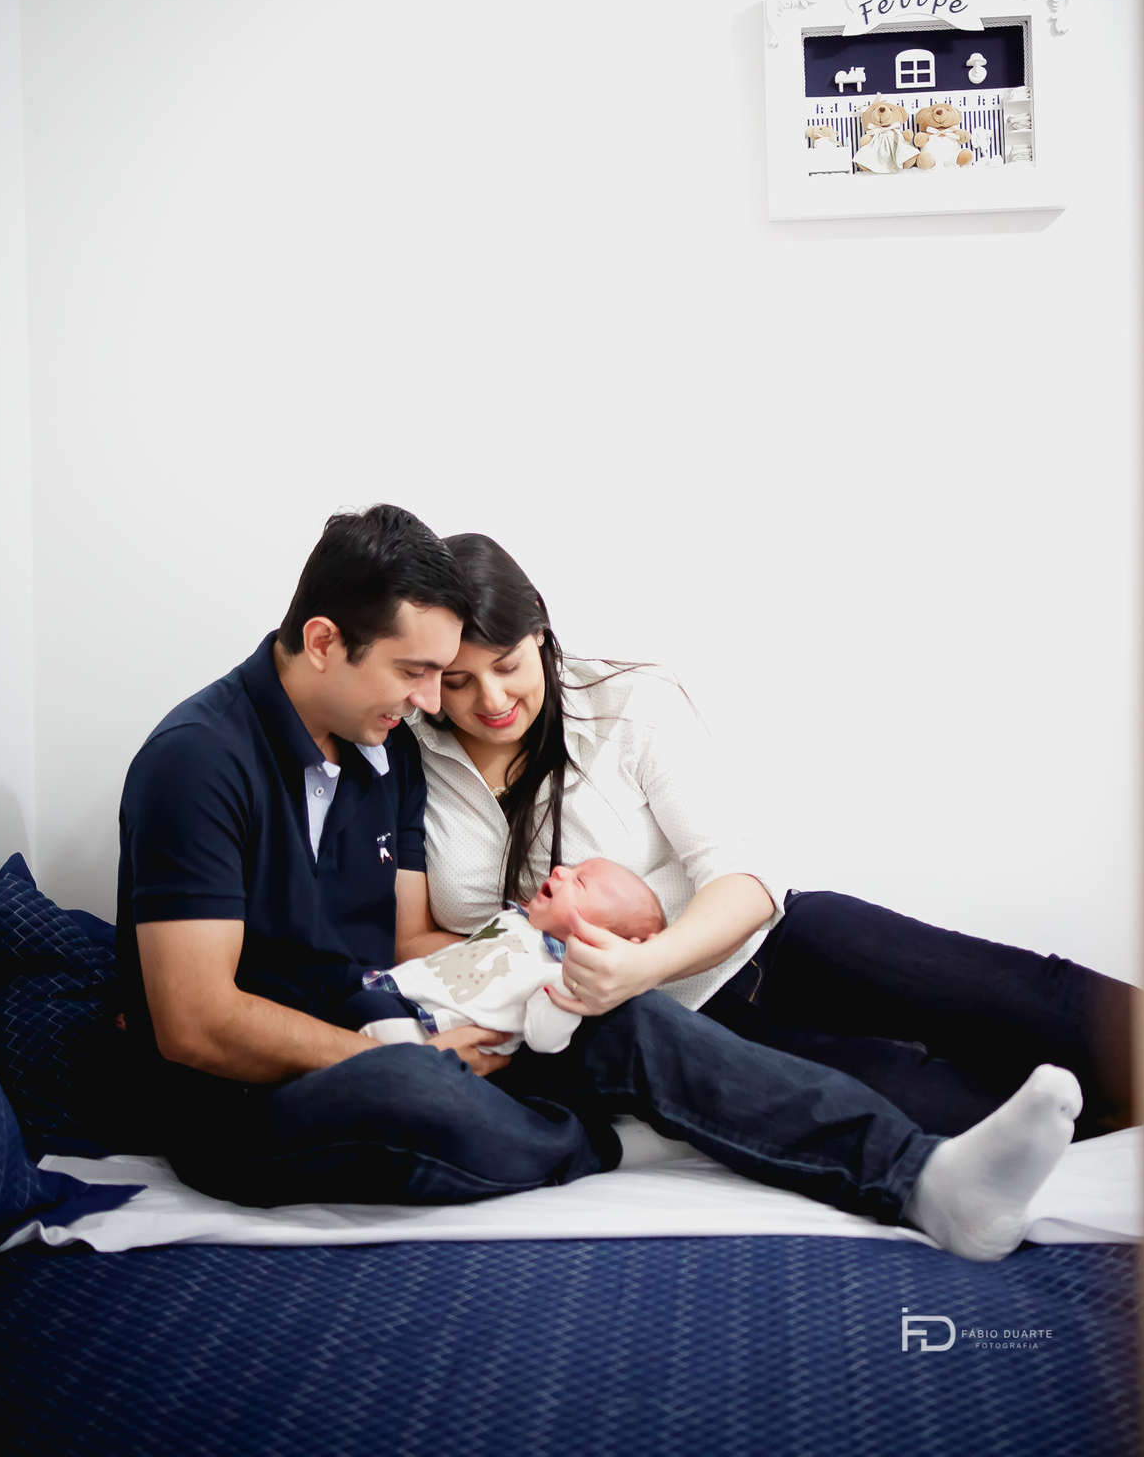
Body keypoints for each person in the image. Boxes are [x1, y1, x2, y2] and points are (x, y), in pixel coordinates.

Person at [115, 502, 1085, 1261]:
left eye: (444, 673)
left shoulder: (382, 749)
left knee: (623, 1018)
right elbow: (195, 1023)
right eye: (419, 673)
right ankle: (616, 1138)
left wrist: (518, 987)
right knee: (418, 1095)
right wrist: (419, 1053)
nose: (432, 701)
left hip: (409, 1018)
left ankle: (926, 1182)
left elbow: (401, 944)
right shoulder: (199, 762)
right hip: (256, 1097)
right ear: (326, 641)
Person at [410, 533, 1137, 1142]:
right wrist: (534, 964)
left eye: (507, 666)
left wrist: (646, 962)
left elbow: (740, 874)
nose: (491, 701)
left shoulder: (627, 703)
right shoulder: (408, 761)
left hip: (781, 941)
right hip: (684, 1028)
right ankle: (1110, 1126)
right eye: (458, 682)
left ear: (539, 627)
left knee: (1020, 999)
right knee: (937, 1106)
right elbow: (413, 939)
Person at [359, 857, 666, 1055]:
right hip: (395, 986)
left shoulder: (560, 975)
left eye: (580, 882)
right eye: (572, 868)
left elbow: (544, 1039)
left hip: (429, 1027)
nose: (560, 870)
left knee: (375, 1036)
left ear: (600, 940)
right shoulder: (517, 919)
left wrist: (572, 987)